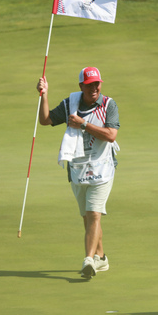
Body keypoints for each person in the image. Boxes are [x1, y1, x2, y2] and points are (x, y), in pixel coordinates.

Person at [36, 67, 120, 280]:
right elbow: (45, 120)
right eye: (89, 84)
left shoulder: (109, 105)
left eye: (97, 84)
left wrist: (84, 124)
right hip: (78, 169)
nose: (94, 88)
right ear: (81, 86)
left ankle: (88, 260)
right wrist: (44, 95)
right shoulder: (69, 104)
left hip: (103, 169)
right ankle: (101, 258)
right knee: (88, 217)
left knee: (94, 213)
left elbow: (111, 135)